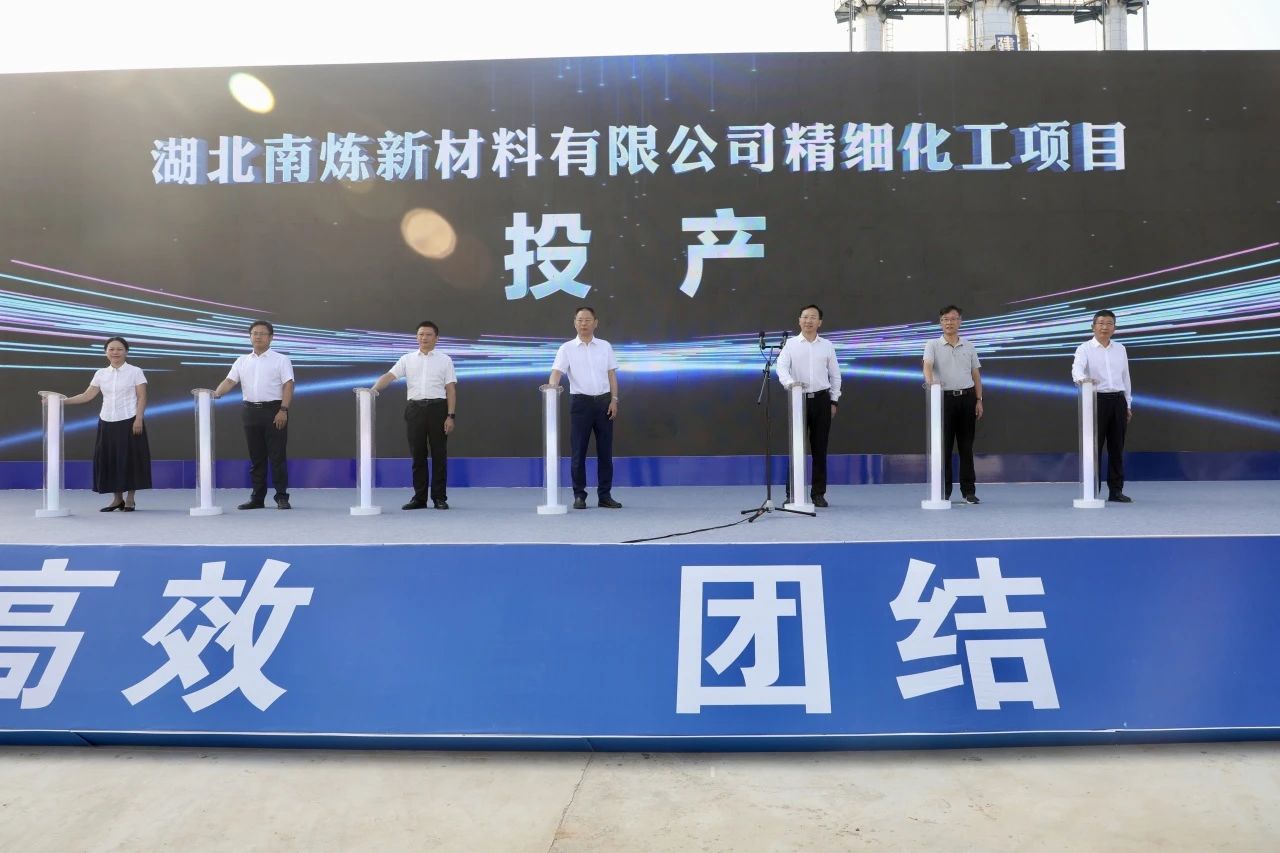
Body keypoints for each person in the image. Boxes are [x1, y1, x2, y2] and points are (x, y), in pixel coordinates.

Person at [370, 321, 457, 510]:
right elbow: (389, 376)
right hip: (415, 410)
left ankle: (439, 498)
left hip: (438, 409)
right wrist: (373, 390)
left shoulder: (445, 360)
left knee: (439, 455)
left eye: (428, 334)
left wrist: (450, 415)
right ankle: (419, 498)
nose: (424, 338)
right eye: (420, 334)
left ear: (436, 338)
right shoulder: (407, 359)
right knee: (417, 455)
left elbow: (450, 389)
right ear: (417, 337)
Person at [61, 336, 152, 511]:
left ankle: (130, 499)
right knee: (111, 460)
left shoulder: (135, 371)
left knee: (130, 459)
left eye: (119, 349)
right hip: (107, 421)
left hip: (130, 420)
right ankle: (117, 499)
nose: (115, 352)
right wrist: (61, 401)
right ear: (105, 352)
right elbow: (87, 395)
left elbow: (142, 397)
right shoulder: (100, 374)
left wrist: (139, 418)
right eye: (111, 349)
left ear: (126, 352)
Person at [544, 306, 621, 509]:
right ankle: (579, 495)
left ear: (596, 323)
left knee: (605, 452)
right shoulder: (566, 348)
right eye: (580, 320)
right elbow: (556, 373)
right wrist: (552, 387)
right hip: (581, 404)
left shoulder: (605, 346)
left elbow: (612, 375)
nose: (583, 323)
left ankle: (605, 495)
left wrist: (614, 400)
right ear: (574, 323)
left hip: (604, 403)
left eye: (587, 320)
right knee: (578, 452)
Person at [214, 320, 295, 510]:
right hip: (250, 411)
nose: (258, 337)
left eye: (262, 333)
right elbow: (229, 381)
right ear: (250, 337)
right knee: (256, 457)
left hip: (274, 410)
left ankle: (281, 497)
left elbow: (288, 385)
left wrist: (283, 409)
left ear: (271, 337)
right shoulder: (242, 360)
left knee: (277, 456)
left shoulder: (281, 359)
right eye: (254, 333)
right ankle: (257, 498)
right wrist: (215, 394)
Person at [776, 304, 842, 508]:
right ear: (799, 320)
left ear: (819, 322)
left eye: (813, 317)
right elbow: (781, 368)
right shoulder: (791, 345)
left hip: (822, 400)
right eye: (805, 317)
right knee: (796, 448)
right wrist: (791, 385)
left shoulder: (827, 345)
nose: (808, 321)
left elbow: (835, 375)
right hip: (798, 399)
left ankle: (818, 493)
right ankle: (792, 493)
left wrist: (833, 400)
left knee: (820, 449)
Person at [923, 305, 984, 505]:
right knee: (944, 448)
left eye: (953, 319)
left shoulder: (969, 346)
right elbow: (927, 366)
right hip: (944, 400)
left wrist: (979, 399)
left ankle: (969, 491)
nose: (949, 323)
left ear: (960, 321)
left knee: (966, 447)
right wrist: (931, 383)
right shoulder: (932, 344)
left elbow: (976, 374)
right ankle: (944, 492)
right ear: (940, 322)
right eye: (945, 319)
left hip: (967, 398)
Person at [1072, 309, 1133, 503]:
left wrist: (1128, 403)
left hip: (1118, 401)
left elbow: (1126, 377)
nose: (1104, 327)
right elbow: (1076, 370)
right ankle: (1093, 490)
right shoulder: (1084, 349)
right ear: (1093, 326)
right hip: (1096, 400)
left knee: (1117, 447)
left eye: (1109, 323)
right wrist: (1084, 380)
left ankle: (1116, 491)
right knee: (1094, 449)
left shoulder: (1120, 349)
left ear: (1114, 328)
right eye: (1101, 323)